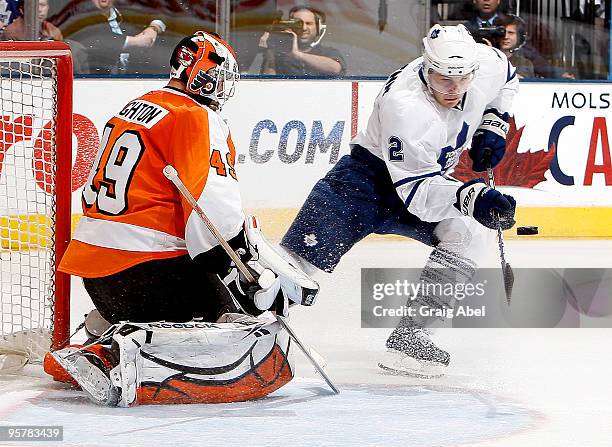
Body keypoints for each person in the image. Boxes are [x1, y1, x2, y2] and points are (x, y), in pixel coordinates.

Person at [49, 31, 318, 405]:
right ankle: (108, 354)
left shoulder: (136, 105)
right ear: (206, 77)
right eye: (223, 80)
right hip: (147, 270)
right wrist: (239, 274)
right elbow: (214, 209)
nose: (224, 90)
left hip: (95, 272)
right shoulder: (197, 117)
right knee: (235, 326)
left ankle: (95, 331)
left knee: (199, 299)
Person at [280, 24, 518, 377]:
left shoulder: (484, 64)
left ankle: (412, 337)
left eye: (463, 79)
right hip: (362, 183)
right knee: (296, 265)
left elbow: (509, 77)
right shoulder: (405, 107)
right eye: (442, 80)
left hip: (426, 177)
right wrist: (474, 197)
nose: (453, 90)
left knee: (469, 235)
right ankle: (249, 331)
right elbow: (417, 196)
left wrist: (493, 124)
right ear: (426, 66)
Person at [54, 0, 164, 74]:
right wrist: (136, 41)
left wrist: (153, 28)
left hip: (131, 78)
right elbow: (98, 39)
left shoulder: (125, 13)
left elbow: (163, 15)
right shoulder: (79, 13)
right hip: (97, 80)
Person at [260, 5, 346, 77]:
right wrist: (270, 53)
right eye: (298, 24)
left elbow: (336, 69)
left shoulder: (329, 52)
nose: (304, 28)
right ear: (290, 26)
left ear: (318, 28)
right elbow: (268, 84)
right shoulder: (278, 54)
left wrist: (298, 55)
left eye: (309, 23)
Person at [493, 14, 534, 79]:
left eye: (511, 33)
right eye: (502, 32)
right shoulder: (488, 58)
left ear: (519, 36)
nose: (506, 37)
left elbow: (522, 81)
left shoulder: (525, 63)